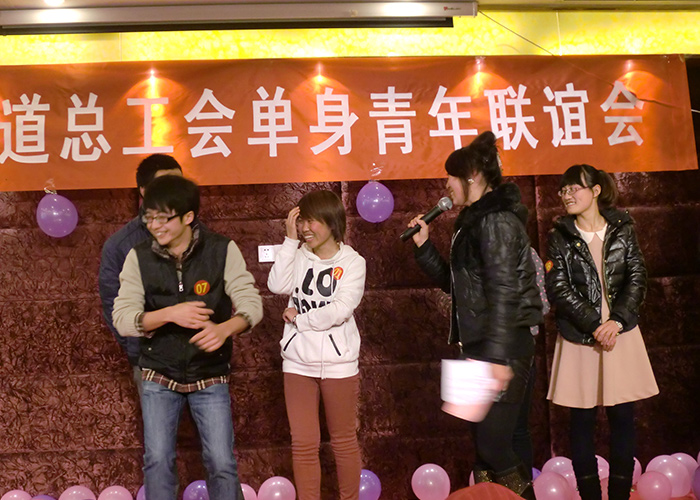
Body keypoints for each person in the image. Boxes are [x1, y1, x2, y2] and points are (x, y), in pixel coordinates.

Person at [112, 175, 263, 500]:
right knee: (157, 460)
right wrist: (170, 314)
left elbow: (251, 304)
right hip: (158, 373)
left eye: (163, 218)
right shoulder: (138, 257)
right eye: (149, 217)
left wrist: (225, 328)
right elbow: (122, 318)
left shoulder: (222, 249)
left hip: (210, 373)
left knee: (221, 462)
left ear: (188, 217)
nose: (155, 226)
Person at [409, 131, 542, 499]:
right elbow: (459, 286)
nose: (446, 186)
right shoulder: (471, 220)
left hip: (501, 348)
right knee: (482, 450)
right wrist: (424, 249)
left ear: (473, 177)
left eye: (451, 177)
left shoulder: (496, 221)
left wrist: (496, 360)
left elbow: (505, 293)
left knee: (494, 446)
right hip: (475, 346)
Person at [545, 164, 658, 500]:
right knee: (581, 421)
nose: (567, 195)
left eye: (574, 189)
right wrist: (595, 325)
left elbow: (637, 277)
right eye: (563, 190)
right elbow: (558, 288)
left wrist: (617, 321)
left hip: (620, 335)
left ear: (595, 191)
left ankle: (620, 494)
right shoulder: (558, 236)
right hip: (581, 337)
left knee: (622, 417)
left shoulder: (623, 228)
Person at [267, 190, 366, 500]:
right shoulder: (298, 255)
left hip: (339, 365)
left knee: (343, 441)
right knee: (303, 444)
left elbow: (341, 309)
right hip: (297, 363)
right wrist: (288, 241)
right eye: (302, 221)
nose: (305, 228)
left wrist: (301, 319)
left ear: (332, 222)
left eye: (312, 221)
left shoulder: (353, 262)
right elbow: (276, 285)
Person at [99, 153, 183, 395]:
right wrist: (135, 346)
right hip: (149, 361)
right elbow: (112, 303)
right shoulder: (120, 244)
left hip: (202, 357)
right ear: (144, 191)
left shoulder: (199, 235)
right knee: (157, 422)